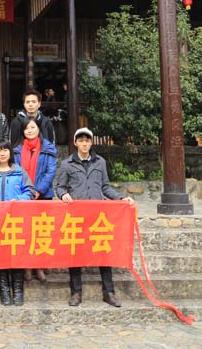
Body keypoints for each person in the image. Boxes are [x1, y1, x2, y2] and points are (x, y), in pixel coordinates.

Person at [55, 127, 135, 308]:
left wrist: (120, 198)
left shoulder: (100, 162)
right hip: (76, 215)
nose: (84, 144)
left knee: (103, 252)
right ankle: (76, 292)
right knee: (75, 254)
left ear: (91, 143)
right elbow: (60, 187)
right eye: (81, 141)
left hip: (98, 216)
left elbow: (105, 187)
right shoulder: (67, 164)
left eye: (87, 141)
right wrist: (63, 195)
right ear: (75, 143)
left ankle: (109, 292)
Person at [0, 141, 35, 306]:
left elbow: (30, 191)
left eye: (5, 150)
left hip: (16, 220)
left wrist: (17, 200)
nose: (2, 153)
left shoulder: (19, 171)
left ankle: (18, 290)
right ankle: (4, 290)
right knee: (0, 255)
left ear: (10, 153)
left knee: (16, 255)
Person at [13, 117, 58, 283]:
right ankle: (27, 266)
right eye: (27, 128)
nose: (30, 130)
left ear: (38, 129)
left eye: (33, 127)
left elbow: (50, 172)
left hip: (43, 195)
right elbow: (16, 172)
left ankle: (39, 266)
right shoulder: (16, 151)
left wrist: (38, 190)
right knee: (25, 231)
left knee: (41, 231)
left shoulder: (48, 148)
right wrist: (27, 192)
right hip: (24, 195)